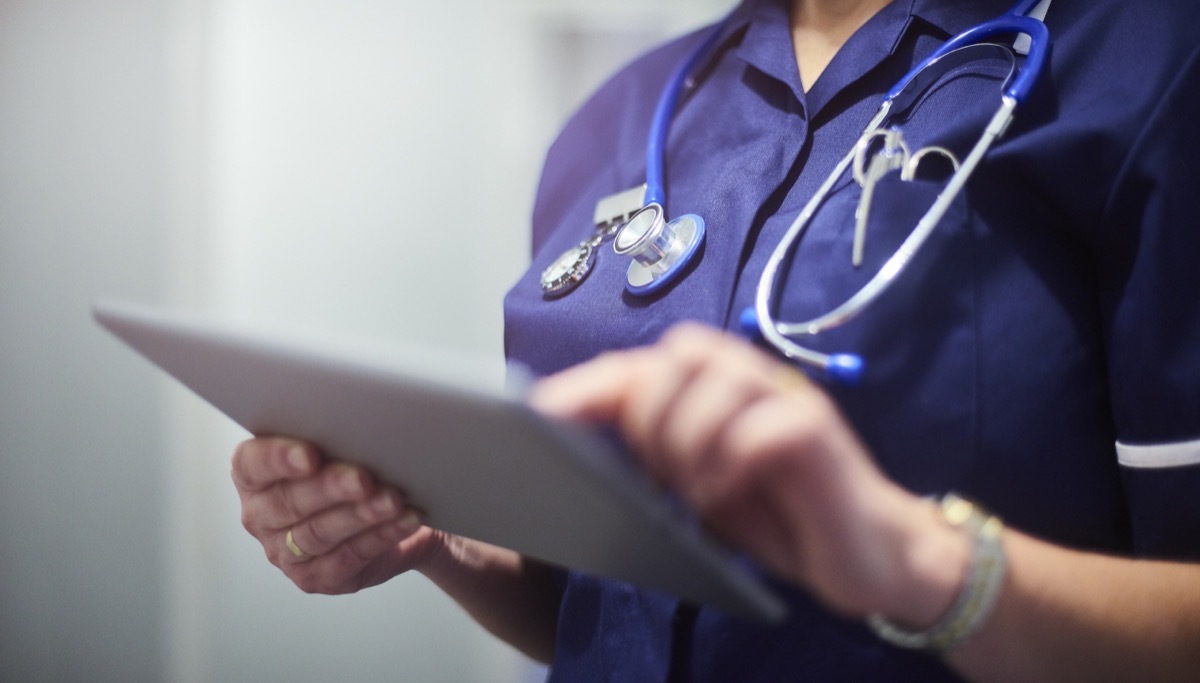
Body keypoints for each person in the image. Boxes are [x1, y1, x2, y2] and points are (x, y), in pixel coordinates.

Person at [230, 0, 1200, 680]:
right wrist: (433, 538)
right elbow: (596, 603)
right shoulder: (619, 115)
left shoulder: (1148, 63)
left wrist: (924, 563)